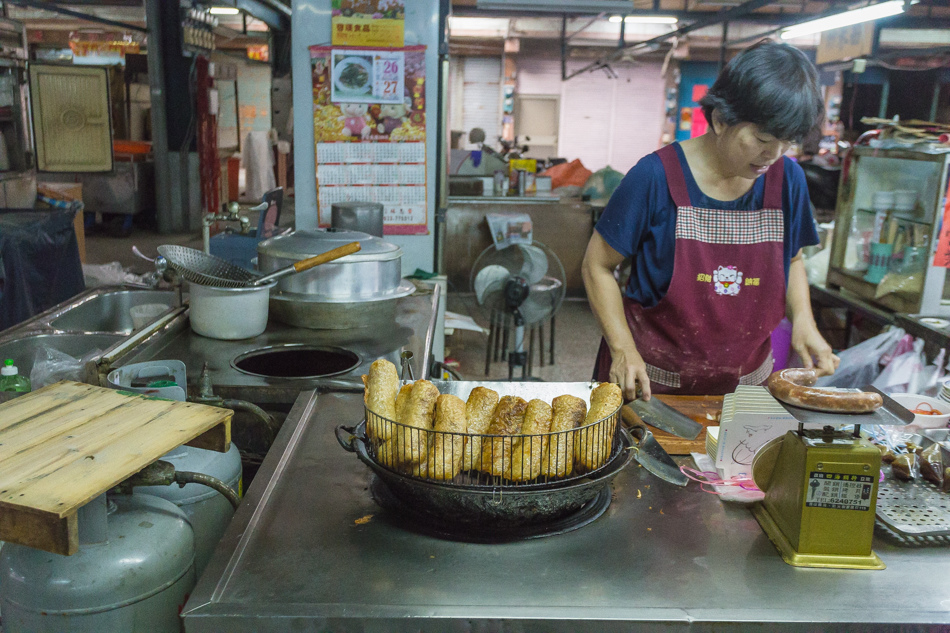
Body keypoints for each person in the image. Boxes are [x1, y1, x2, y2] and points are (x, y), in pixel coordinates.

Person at [582, 40, 839, 401]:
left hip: (745, 389)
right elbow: (597, 266)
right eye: (763, 139)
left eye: (787, 142)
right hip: (650, 386)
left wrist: (804, 322)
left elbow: (792, 258)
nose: (773, 154)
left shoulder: (787, 179)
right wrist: (623, 349)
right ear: (720, 119)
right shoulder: (654, 177)